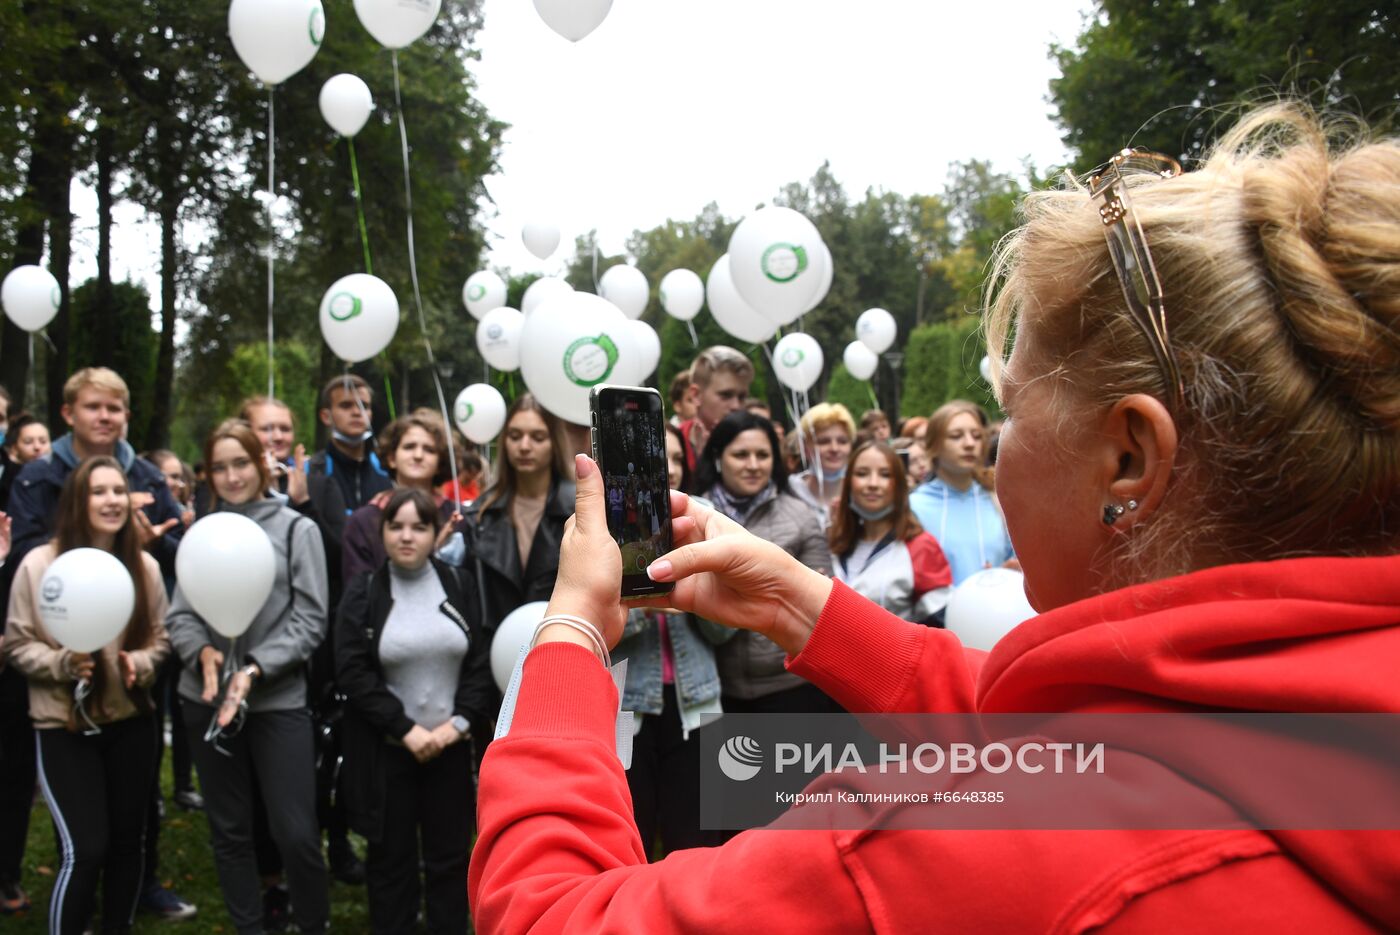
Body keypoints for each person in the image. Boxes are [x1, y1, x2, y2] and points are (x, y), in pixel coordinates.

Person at [466, 104, 1400, 931]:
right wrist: (803, 607)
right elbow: (1074, 743)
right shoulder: (1319, 725)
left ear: (1128, 459)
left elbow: (550, 916)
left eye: (1012, 409)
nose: (996, 444)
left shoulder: (953, 842)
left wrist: (572, 628)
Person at [0, 368, 189, 920]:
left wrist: (143, 663)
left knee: (129, 843)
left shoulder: (145, 568)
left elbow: (162, 638)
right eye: (98, 492)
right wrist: (62, 661)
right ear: (77, 499)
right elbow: (17, 642)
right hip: (62, 722)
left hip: (132, 718)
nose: (110, 501)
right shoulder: (40, 564)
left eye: (118, 492)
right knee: (87, 849)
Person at [166, 420, 330, 935]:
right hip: (206, 698)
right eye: (219, 466)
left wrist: (256, 668)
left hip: (278, 700)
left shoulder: (296, 530)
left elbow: (311, 618)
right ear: (208, 474)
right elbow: (181, 614)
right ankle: (249, 927)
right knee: (229, 830)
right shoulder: (201, 532)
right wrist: (203, 655)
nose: (232, 476)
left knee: (296, 831)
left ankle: (312, 922)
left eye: (241, 463)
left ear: (262, 464)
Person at [335, 488, 494, 934]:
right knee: (390, 864)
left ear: (434, 533)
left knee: (449, 862)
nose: (407, 536)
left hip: (449, 750)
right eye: (396, 526)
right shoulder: (364, 593)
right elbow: (352, 671)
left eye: (419, 527)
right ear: (382, 531)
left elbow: (480, 663)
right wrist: (404, 728)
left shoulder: (459, 586)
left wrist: (456, 725)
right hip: (389, 752)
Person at [239, 395, 363, 899]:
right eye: (264, 429)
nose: (275, 439)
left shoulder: (319, 482)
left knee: (321, 752)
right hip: (249, 652)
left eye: (283, 429)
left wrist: (302, 503)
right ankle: (267, 874)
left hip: (313, 648)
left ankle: (332, 842)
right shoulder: (229, 494)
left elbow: (340, 561)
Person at [612, 424, 729, 856]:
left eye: (676, 457)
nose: (668, 467)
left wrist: (690, 596)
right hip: (627, 708)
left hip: (697, 703)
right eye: (657, 457)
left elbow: (726, 628)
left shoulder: (707, 525)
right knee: (629, 845)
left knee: (698, 847)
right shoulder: (607, 529)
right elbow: (600, 626)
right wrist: (664, 598)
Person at [693, 411, 837, 715]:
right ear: (719, 457)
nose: (753, 465)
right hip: (718, 690)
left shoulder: (800, 516)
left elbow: (822, 603)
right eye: (741, 454)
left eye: (763, 455)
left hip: (792, 686)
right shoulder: (695, 515)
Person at [462, 394, 576, 638]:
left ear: (554, 442)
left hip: (561, 649)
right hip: (492, 656)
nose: (524, 446)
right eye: (514, 436)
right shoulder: (479, 515)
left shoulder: (579, 512)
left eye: (538, 437)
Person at [829, 440, 952, 624]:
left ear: (900, 485)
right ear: (848, 484)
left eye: (885, 475)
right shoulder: (833, 543)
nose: (873, 483)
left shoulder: (920, 546)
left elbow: (940, 625)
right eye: (862, 474)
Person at [342, 409, 461, 581]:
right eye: (409, 447)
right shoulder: (363, 522)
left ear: (440, 463)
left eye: (429, 450)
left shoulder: (457, 518)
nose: (418, 456)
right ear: (391, 457)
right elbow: (357, 593)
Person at [908, 400, 1015, 584]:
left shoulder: (998, 500)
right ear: (934, 445)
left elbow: (1013, 560)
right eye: (956, 436)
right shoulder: (913, 506)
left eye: (976, 436)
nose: (969, 443)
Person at [308, 374, 392, 517]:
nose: (357, 412)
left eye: (364, 406)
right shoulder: (312, 469)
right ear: (326, 416)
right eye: (346, 405)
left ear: (371, 414)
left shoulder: (387, 468)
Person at [677, 347, 754, 471]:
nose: (736, 406)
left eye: (742, 397)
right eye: (726, 395)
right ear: (695, 395)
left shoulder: (756, 442)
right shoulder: (672, 443)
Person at [788, 402, 856, 523]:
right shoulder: (790, 491)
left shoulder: (861, 492)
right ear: (804, 446)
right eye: (823, 441)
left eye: (842, 441)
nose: (834, 448)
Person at [0, 413, 50, 511]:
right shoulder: (7, 482)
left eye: (43, 441)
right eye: (28, 442)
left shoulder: (62, 476)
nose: (37, 447)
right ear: (14, 448)